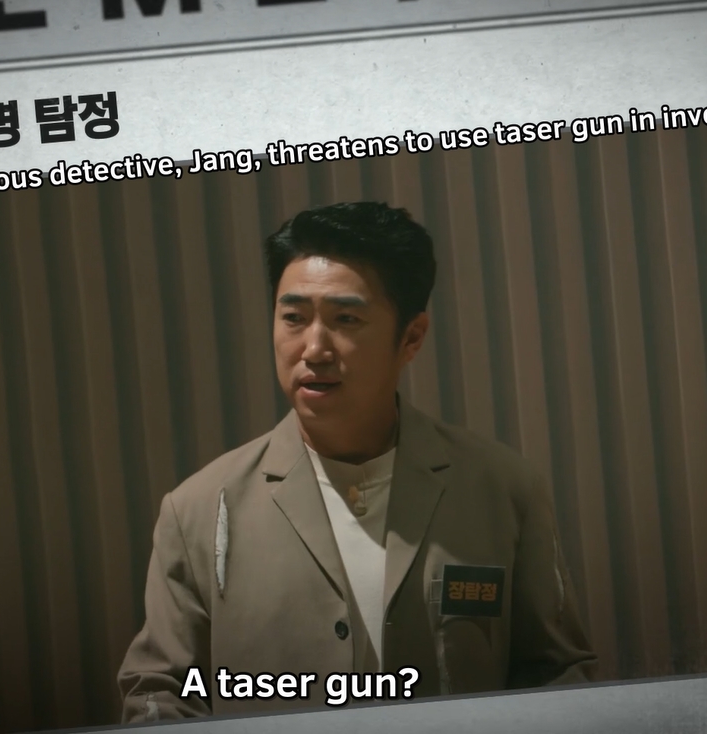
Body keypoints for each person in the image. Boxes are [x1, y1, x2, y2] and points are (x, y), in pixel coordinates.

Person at [117, 201, 595, 722]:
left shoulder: (501, 489)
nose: (314, 349)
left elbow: (556, 676)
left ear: (411, 337)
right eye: (294, 318)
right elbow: (160, 693)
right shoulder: (200, 509)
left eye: (346, 319)